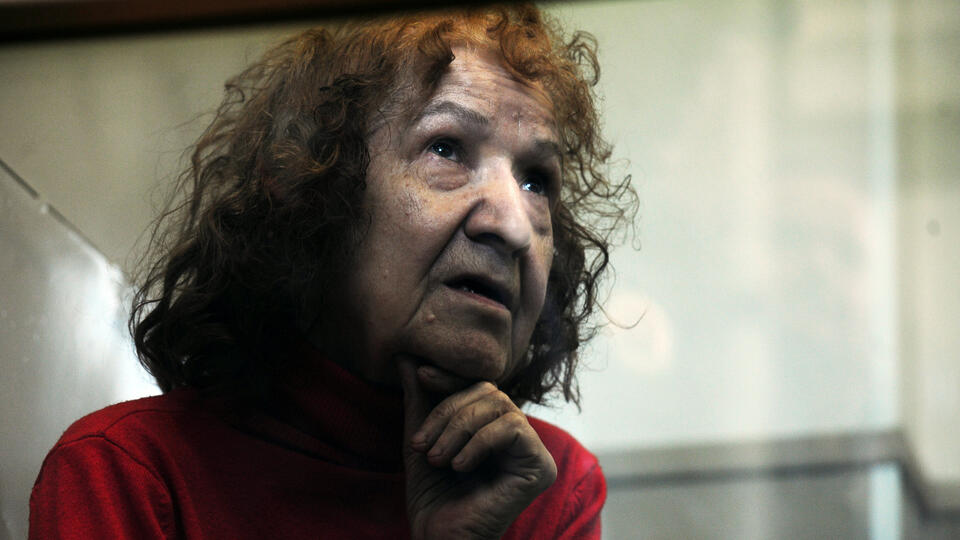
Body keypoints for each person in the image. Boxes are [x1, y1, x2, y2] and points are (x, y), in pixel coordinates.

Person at [29, 4, 634, 538]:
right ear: (311, 193)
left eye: (537, 181)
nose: (513, 225)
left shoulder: (547, 488)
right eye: (446, 148)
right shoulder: (130, 475)